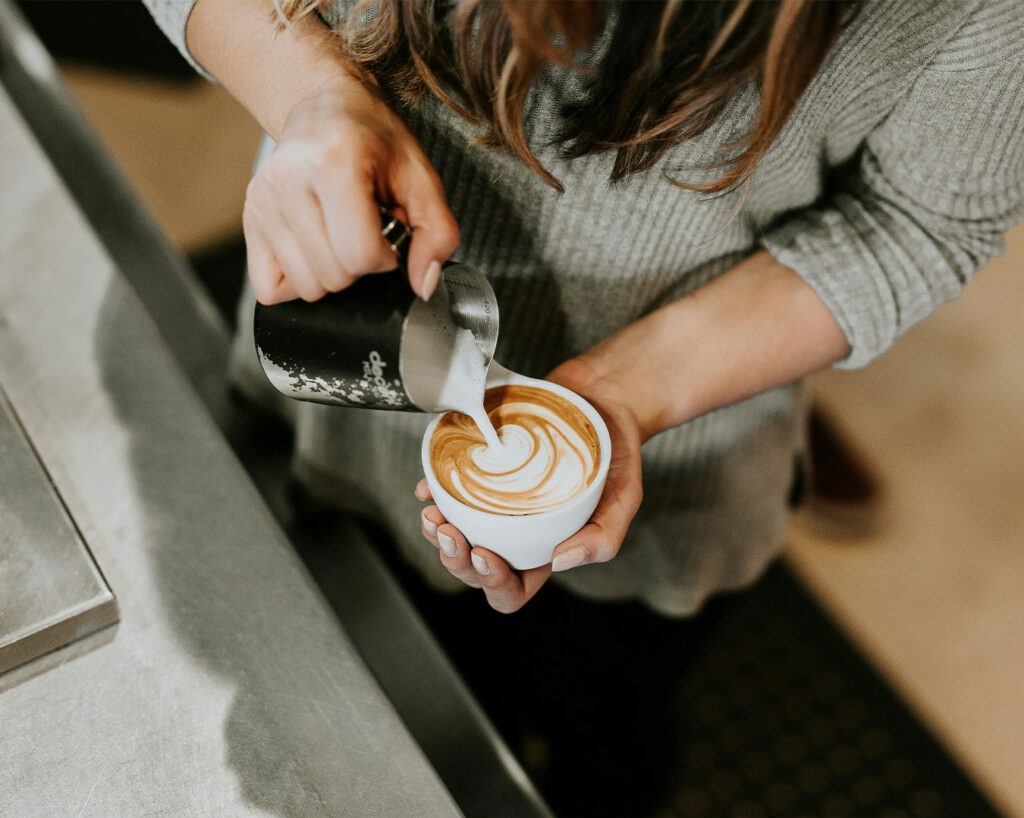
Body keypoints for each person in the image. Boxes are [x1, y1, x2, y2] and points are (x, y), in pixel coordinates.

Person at [144, 0, 1024, 616]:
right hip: (338, 378)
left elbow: (922, 217)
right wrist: (307, 92)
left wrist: (632, 390)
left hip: (673, 479)